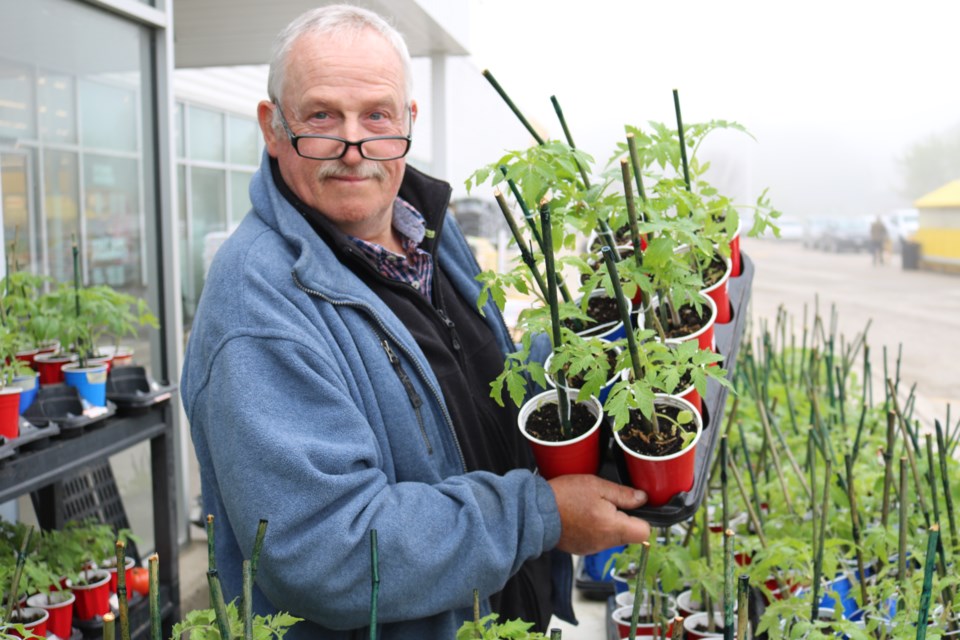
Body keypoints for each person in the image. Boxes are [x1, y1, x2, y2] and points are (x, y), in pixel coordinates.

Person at [180, 5, 651, 639]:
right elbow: (328, 550)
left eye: (376, 115)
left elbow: (481, 389)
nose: (353, 147)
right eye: (322, 117)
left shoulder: (425, 230)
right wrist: (538, 516)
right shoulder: (258, 305)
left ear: (407, 122)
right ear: (273, 127)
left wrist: (589, 335)